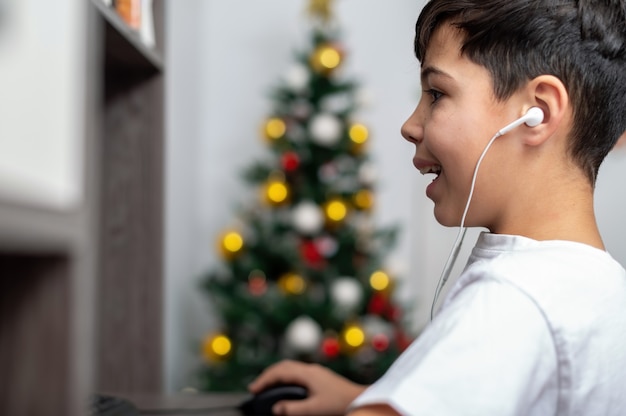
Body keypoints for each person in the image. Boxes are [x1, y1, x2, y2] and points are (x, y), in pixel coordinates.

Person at [248, 0, 626, 414]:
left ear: (539, 112)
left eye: (437, 93)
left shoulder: (511, 302)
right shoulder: (602, 287)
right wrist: (362, 398)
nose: (410, 125)